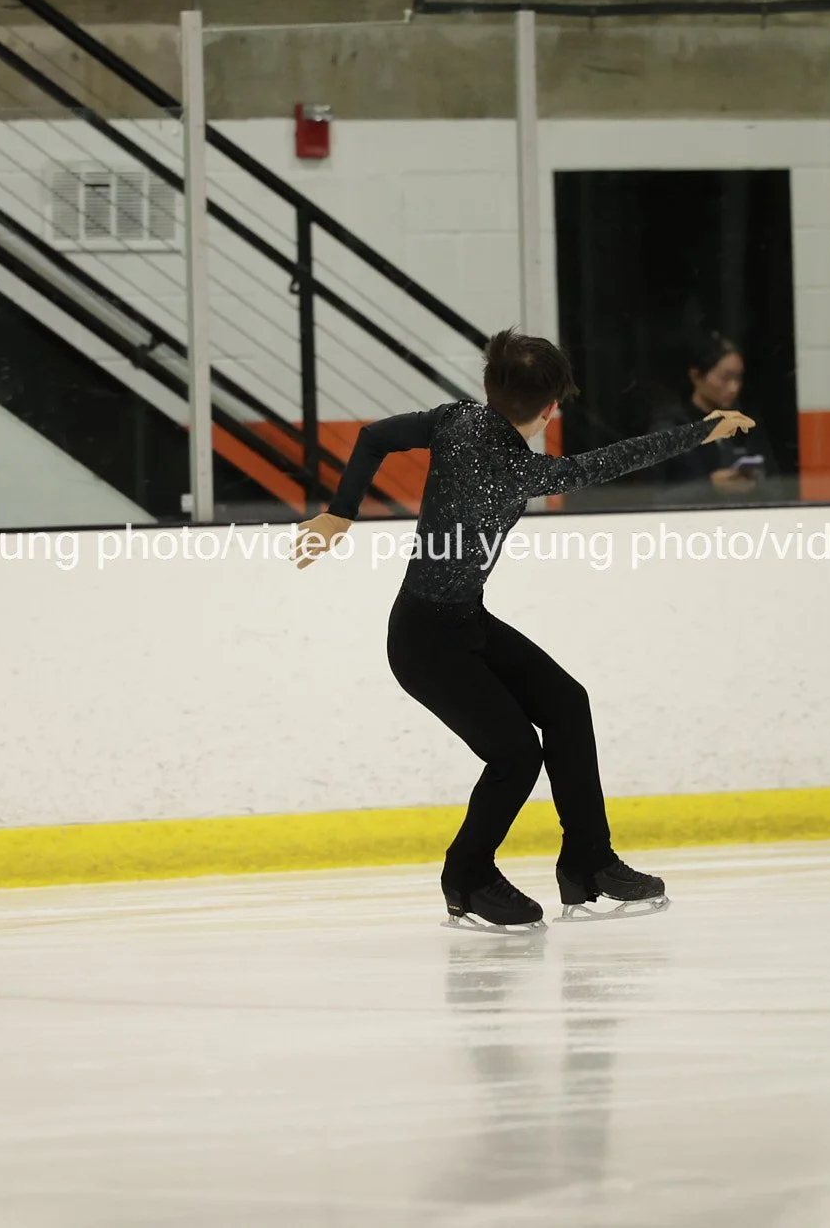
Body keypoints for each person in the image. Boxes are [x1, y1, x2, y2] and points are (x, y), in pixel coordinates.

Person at [291, 330, 755, 930]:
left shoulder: (455, 420)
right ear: (550, 409)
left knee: (566, 702)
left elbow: (375, 436)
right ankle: (467, 876)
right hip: (426, 644)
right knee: (515, 754)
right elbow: (615, 459)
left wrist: (341, 513)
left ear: (489, 386)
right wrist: (701, 431)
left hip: (461, 621)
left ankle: (589, 863)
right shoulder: (518, 469)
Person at [649, 333, 777, 504]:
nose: (734, 388)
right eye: (725, 378)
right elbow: (651, 497)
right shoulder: (670, 430)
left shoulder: (745, 424)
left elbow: (775, 486)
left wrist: (754, 483)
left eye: (738, 378)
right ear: (696, 376)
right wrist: (710, 486)